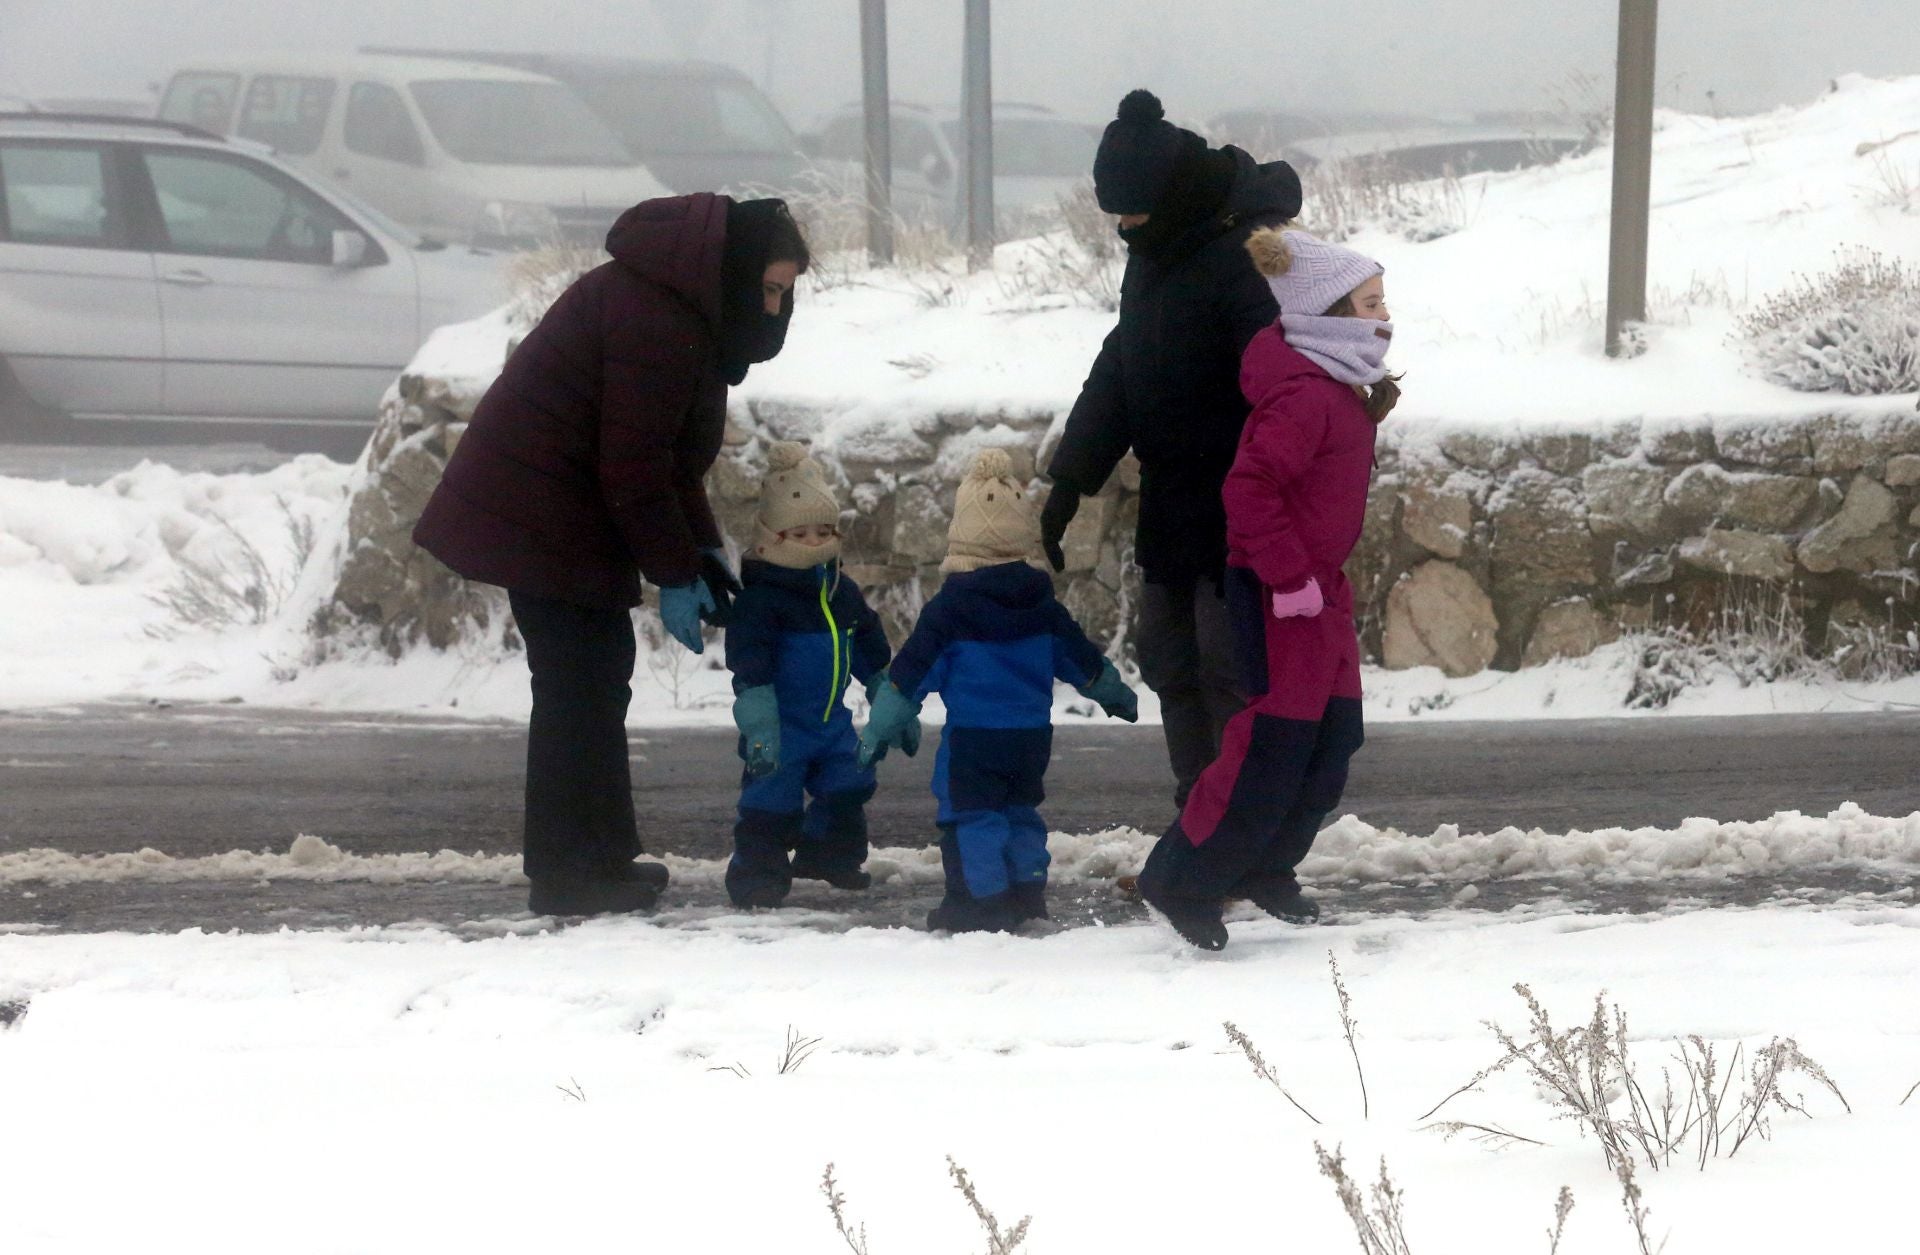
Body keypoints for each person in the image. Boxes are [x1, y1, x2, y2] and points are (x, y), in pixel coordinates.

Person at [412, 194, 810, 917]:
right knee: (576, 685)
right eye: (772, 287)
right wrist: (675, 573)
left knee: (597, 676)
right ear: (735, 270)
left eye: (787, 293)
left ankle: (599, 855)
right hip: (537, 508)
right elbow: (630, 466)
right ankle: (567, 873)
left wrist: (701, 550)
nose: (778, 308)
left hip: (562, 508)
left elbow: (665, 462)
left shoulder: (680, 308)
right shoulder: (657, 322)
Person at [1136, 228, 1400, 951]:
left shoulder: (1337, 386)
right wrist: (1288, 578)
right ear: (1328, 315)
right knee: (1271, 745)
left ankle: (1264, 865)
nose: (1386, 316)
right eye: (1371, 303)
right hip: (1283, 593)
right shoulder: (1303, 396)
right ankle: (1182, 878)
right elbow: (1248, 490)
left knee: (1333, 736)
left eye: (1385, 300)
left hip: (1320, 592)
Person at [1040, 88, 1303, 812]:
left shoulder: (1249, 257)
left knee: (1230, 670)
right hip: (1172, 500)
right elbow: (1126, 362)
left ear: (1171, 194)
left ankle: (1243, 831)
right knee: (1170, 662)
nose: (1123, 227)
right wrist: (1071, 477)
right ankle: (1201, 819)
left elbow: (1286, 391)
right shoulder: (1156, 250)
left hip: (1239, 504)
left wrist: (1275, 494)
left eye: (1131, 210)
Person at [861, 449, 1139, 933]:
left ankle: (979, 904)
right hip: (1031, 738)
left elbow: (909, 676)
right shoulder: (1042, 605)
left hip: (974, 739)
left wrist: (879, 729)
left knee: (972, 817)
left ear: (961, 535)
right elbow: (1083, 659)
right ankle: (1027, 895)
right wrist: (1113, 693)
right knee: (1019, 812)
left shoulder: (949, 610)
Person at [724, 441, 897, 909]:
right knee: (769, 800)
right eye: (801, 534)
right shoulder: (762, 598)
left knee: (849, 784)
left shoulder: (841, 590)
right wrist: (756, 707)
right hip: (781, 724)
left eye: (825, 531)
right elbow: (749, 656)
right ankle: (757, 874)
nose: (817, 542)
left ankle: (828, 856)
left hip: (831, 720)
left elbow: (865, 639)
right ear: (773, 538)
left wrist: (884, 686)